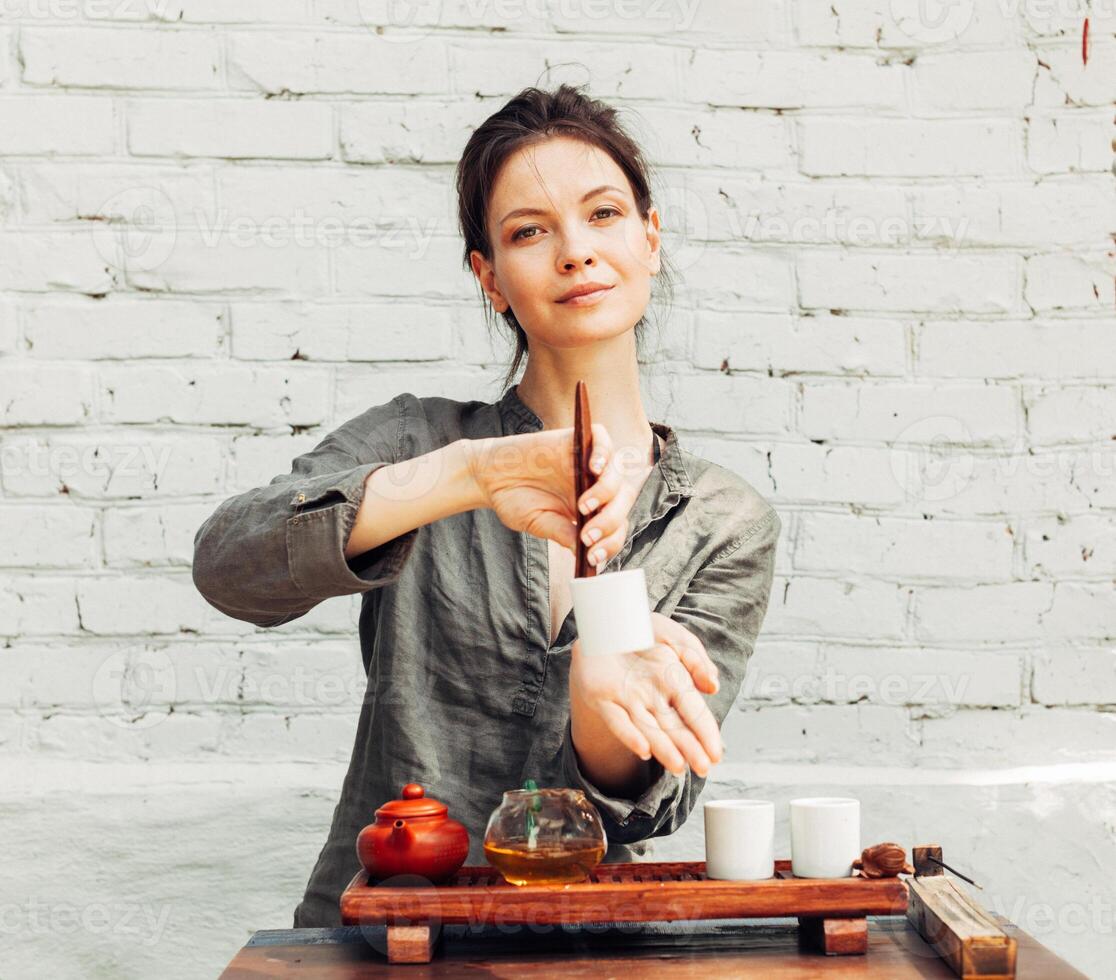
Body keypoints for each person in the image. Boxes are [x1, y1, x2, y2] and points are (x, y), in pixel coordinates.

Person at [191, 83, 782, 928]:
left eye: (604, 214)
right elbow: (230, 568)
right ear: (490, 277)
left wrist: (599, 684)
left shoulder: (726, 520)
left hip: (587, 945)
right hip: (380, 935)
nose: (575, 252)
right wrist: (466, 475)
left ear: (650, 240)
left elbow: (649, 803)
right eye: (529, 232)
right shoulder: (418, 440)